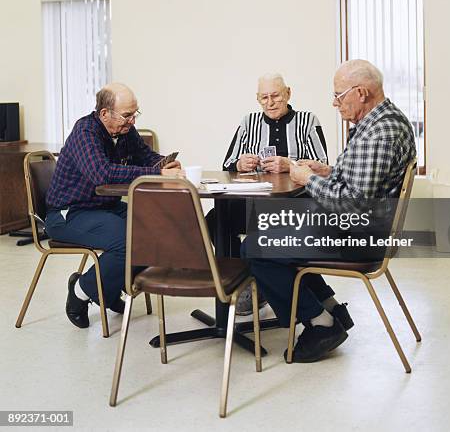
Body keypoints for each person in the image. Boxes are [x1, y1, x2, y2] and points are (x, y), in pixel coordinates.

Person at [243, 60, 416, 362]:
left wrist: (306, 179)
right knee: (274, 233)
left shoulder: (379, 133)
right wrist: (326, 171)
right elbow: (364, 180)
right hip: (369, 228)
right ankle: (330, 307)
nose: (334, 103)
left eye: (339, 95)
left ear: (361, 92)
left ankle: (319, 324)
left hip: (361, 237)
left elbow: (353, 204)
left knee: (255, 247)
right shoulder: (383, 121)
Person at [45, 83, 183, 329]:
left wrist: (165, 165)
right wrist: (156, 173)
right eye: (127, 115)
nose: (132, 121)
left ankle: (109, 287)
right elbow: (102, 174)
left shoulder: (125, 130)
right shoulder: (84, 132)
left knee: (159, 230)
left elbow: (146, 157)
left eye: (134, 114)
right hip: (69, 212)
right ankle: (80, 291)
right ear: (104, 113)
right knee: (127, 241)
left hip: (104, 207)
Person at [212, 72, 328, 314]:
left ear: (288, 93)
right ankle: (243, 283)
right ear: (257, 99)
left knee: (263, 232)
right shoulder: (249, 122)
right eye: (263, 97)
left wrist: (290, 164)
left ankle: (263, 283)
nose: (270, 102)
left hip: (295, 205)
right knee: (215, 221)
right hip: (255, 201)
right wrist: (239, 163)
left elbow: (322, 164)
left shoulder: (308, 120)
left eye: (275, 95)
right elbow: (228, 161)